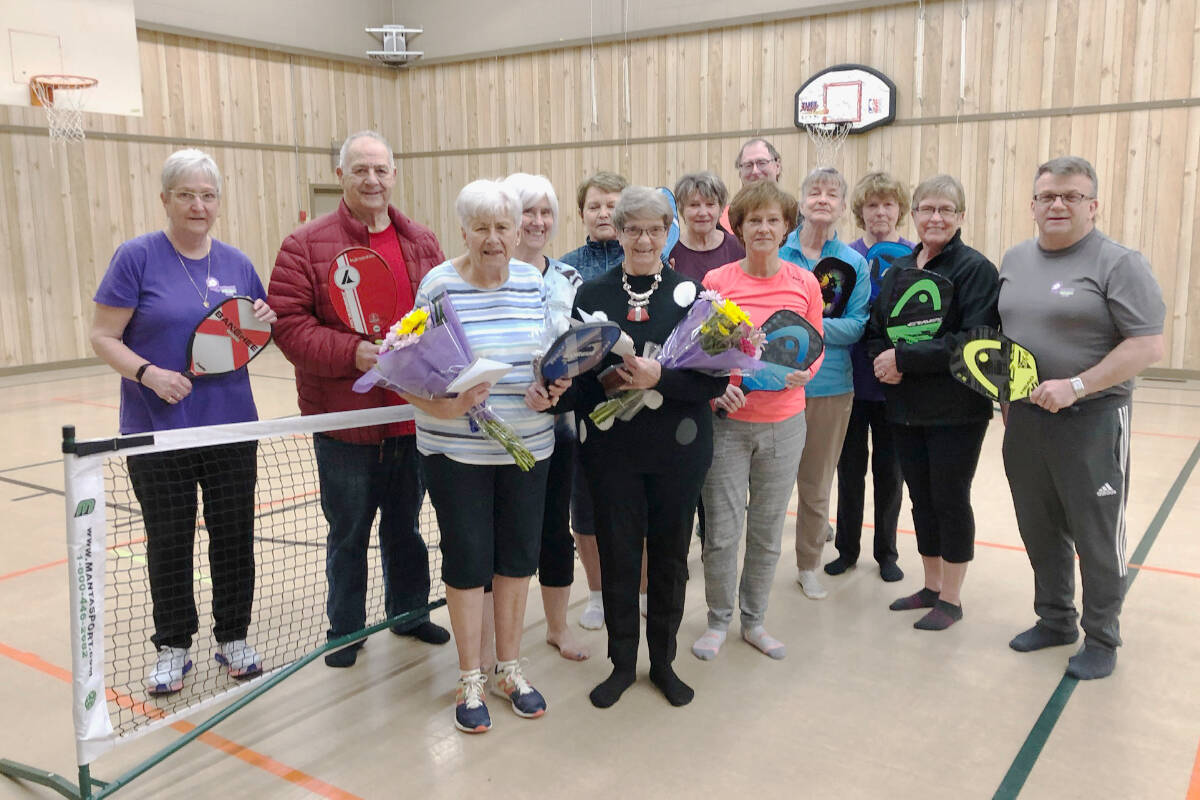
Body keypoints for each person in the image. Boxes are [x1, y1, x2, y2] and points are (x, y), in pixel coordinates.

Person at [91, 148, 275, 694]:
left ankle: (234, 637)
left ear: (218, 202)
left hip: (230, 427)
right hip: (158, 429)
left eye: (208, 195)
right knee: (169, 540)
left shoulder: (238, 263)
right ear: (166, 199)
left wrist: (264, 318)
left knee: (234, 536)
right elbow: (103, 336)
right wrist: (148, 374)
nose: (199, 205)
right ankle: (173, 647)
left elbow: (252, 333)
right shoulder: (136, 257)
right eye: (187, 194)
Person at [269, 130, 449, 669]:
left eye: (380, 169)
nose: (372, 179)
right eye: (359, 170)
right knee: (347, 531)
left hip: (410, 417)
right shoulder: (303, 245)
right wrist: (355, 353)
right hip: (344, 421)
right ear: (341, 176)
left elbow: (442, 313)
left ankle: (409, 613)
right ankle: (345, 630)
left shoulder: (421, 240)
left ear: (393, 175)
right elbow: (290, 327)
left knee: (407, 526)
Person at [558, 186, 727, 709]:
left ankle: (664, 662)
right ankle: (622, 663)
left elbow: (715, 383)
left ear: (667, 231)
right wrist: (577, 386)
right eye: (633, 228)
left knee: (672, 558)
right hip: (612, 453)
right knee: (618, 555)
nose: (644, 238)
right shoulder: (592, 295)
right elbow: (582, 381)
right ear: (620, 232)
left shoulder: (692, 294)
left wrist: (660, 378)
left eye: (655, 228)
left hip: (679, 450)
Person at [999, 156, 1164, 679]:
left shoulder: (1119, 262)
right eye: (1048, 195)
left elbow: (1148, 345)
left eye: (1071, 196)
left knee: (1096, 534)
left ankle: (1102, 637)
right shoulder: (1015, 258)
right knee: (1039, 526)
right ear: (1033, 205)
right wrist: (1004, 396)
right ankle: (1055, 620)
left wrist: (1076, 386)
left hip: (1092, 419)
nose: (1058, 205)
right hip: (1025, 420)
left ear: (1092, 205)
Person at [407, 179, 560, 734]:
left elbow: (548, 359)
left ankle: (509, 669)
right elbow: (407, 367)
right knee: (468, 563)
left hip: (529, 446)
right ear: (464, 232)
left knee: (518, 560)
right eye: (482, 228)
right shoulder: (438, 285)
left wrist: (551, 391)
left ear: (518, 231)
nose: (494, 239)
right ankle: (470, 676)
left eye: (503, 228)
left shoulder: (532, 282)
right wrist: (441, 407)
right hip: (455, 452)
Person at [693, 181, 823, 661]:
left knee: (767, 530)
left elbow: (814, 348)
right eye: (754, 220)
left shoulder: (804, 282)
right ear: (740, 227)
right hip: (728, 424)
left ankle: (754, 621)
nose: (764, 228)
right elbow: (701, 352)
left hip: (785, 424)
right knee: (722, 531)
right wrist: (714, 390)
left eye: (773, 220)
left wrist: (801, 375)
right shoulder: (717, 283)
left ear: (787, 226)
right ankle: (717, 621)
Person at [866, 174, 999, 631]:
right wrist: (883, 361)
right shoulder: (900, 268)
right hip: (904, 407)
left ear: (960, 217)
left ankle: (953, 598)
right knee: (920, 499)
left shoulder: (975, 270)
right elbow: (876, 328)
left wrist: (903, 358)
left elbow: (974, 341)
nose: (935, 217)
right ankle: (931, 585)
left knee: (949, 498)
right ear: (915, 215)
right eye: (927, 209)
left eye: (946, 210)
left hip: (956, 410)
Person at [503, 171, 589, 662]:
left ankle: (557, 626)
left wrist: (562, 388)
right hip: (497, 432)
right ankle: (499, 641)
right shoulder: (488, 274)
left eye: (545, 212)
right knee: (506, 535)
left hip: (556, 429)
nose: (536, 222)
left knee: (555, 529)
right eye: (526, 211)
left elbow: (582, 349)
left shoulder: (570, 279)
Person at [779, 167, 870, 600]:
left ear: (841, 206)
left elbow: (855, 326)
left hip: (830, 388)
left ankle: (808, 564)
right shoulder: (778, 253)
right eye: (814, 191)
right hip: (775, 386)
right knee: (769, 487)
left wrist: (803, 327)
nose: (821, 199)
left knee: (815, 486)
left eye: (831, 194)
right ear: (801, 200)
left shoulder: (853, 264)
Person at [826, 172, 914, 582]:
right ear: (860, 211)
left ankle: (887, 553)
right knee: (849, 470)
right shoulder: (845, 258)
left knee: (889, 472)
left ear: (900, 209)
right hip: (851, 380)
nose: (881, 212)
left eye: (888, 204)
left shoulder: (915, 257)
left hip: (896, 386)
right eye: (872, 205)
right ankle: (846, 548)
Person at [560, 170, 630, 628]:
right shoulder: (568, 269)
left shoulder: (644, 259)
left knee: (634, 508)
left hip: (639, 406)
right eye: (595, 206)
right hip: (585, 408)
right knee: (585, 509)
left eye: (612, 205)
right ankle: (599, 595)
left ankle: (637, 592)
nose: (603, 213)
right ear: (582, 213)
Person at [670, 171, 745, 283]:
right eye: (694, 205)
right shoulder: (670, 251)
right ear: (681, 210)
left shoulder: (739, 248)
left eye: (710, 204)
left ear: (721, 209)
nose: (703, 212)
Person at [719, 138, 783, 233]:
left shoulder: (796, 216)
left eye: (762, 163)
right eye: (748, 165)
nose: (755, 171)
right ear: (740, 173)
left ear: (777, 167)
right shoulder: (723, 219)